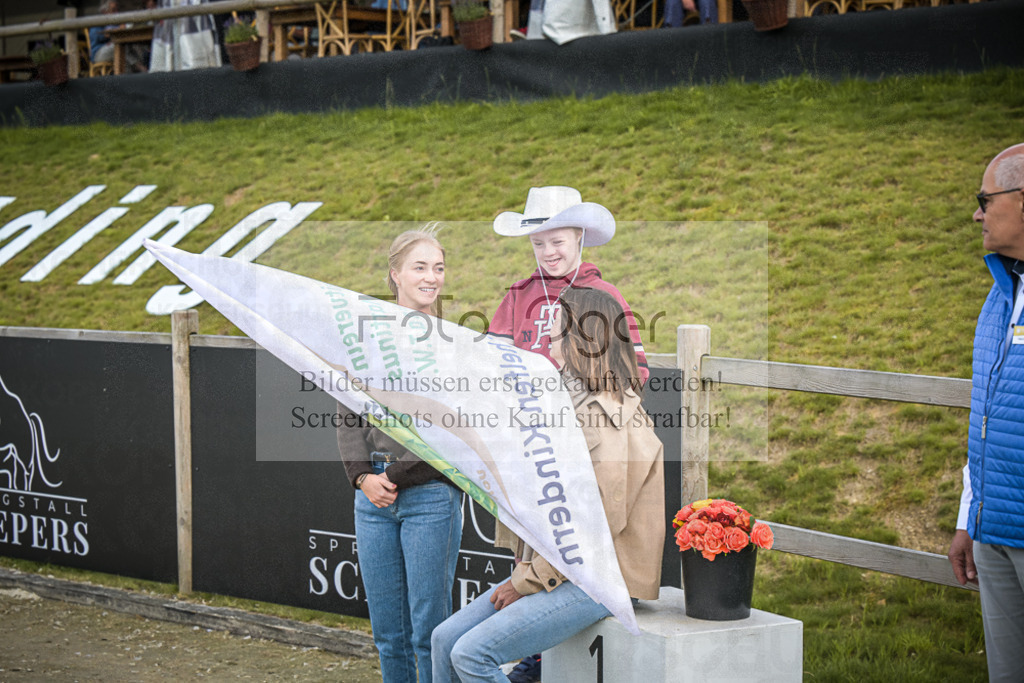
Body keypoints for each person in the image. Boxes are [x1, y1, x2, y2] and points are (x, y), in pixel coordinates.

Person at [431, 286, 665, 683]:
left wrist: (527, 582)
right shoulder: (567, 402)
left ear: (580, 340)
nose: (548, 341)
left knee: (472, 654)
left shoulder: (607, 418)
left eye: (555, 332)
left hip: (602, 579)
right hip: (565, 569)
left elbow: (594, 529)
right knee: (443, 639)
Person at [336, 227, 463, 683]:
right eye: (420, 267)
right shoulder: (366, 336)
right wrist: (362, 477)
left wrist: (396, 477)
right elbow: (348, 411)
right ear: (396, 274)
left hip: (430, 497)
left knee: (429, 633)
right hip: (371, 499)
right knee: (388, 634)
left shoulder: (453, 342)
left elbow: (456, 427)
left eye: (439, 268)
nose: (432, 277)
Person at [947, 142, 1024, 683]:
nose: (977, 212)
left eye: (985, 199)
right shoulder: (999, 296)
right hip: (992, 530)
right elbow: (987, 416)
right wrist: (967, 517)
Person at [489, 185, 650, 385]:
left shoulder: (604, 294)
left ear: (578, 235)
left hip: (586, 410)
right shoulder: (518, 295)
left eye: (557, 242)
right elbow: (494, 358)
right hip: (527, 409)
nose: (548, 252)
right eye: (538, 244)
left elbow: (636, 367)